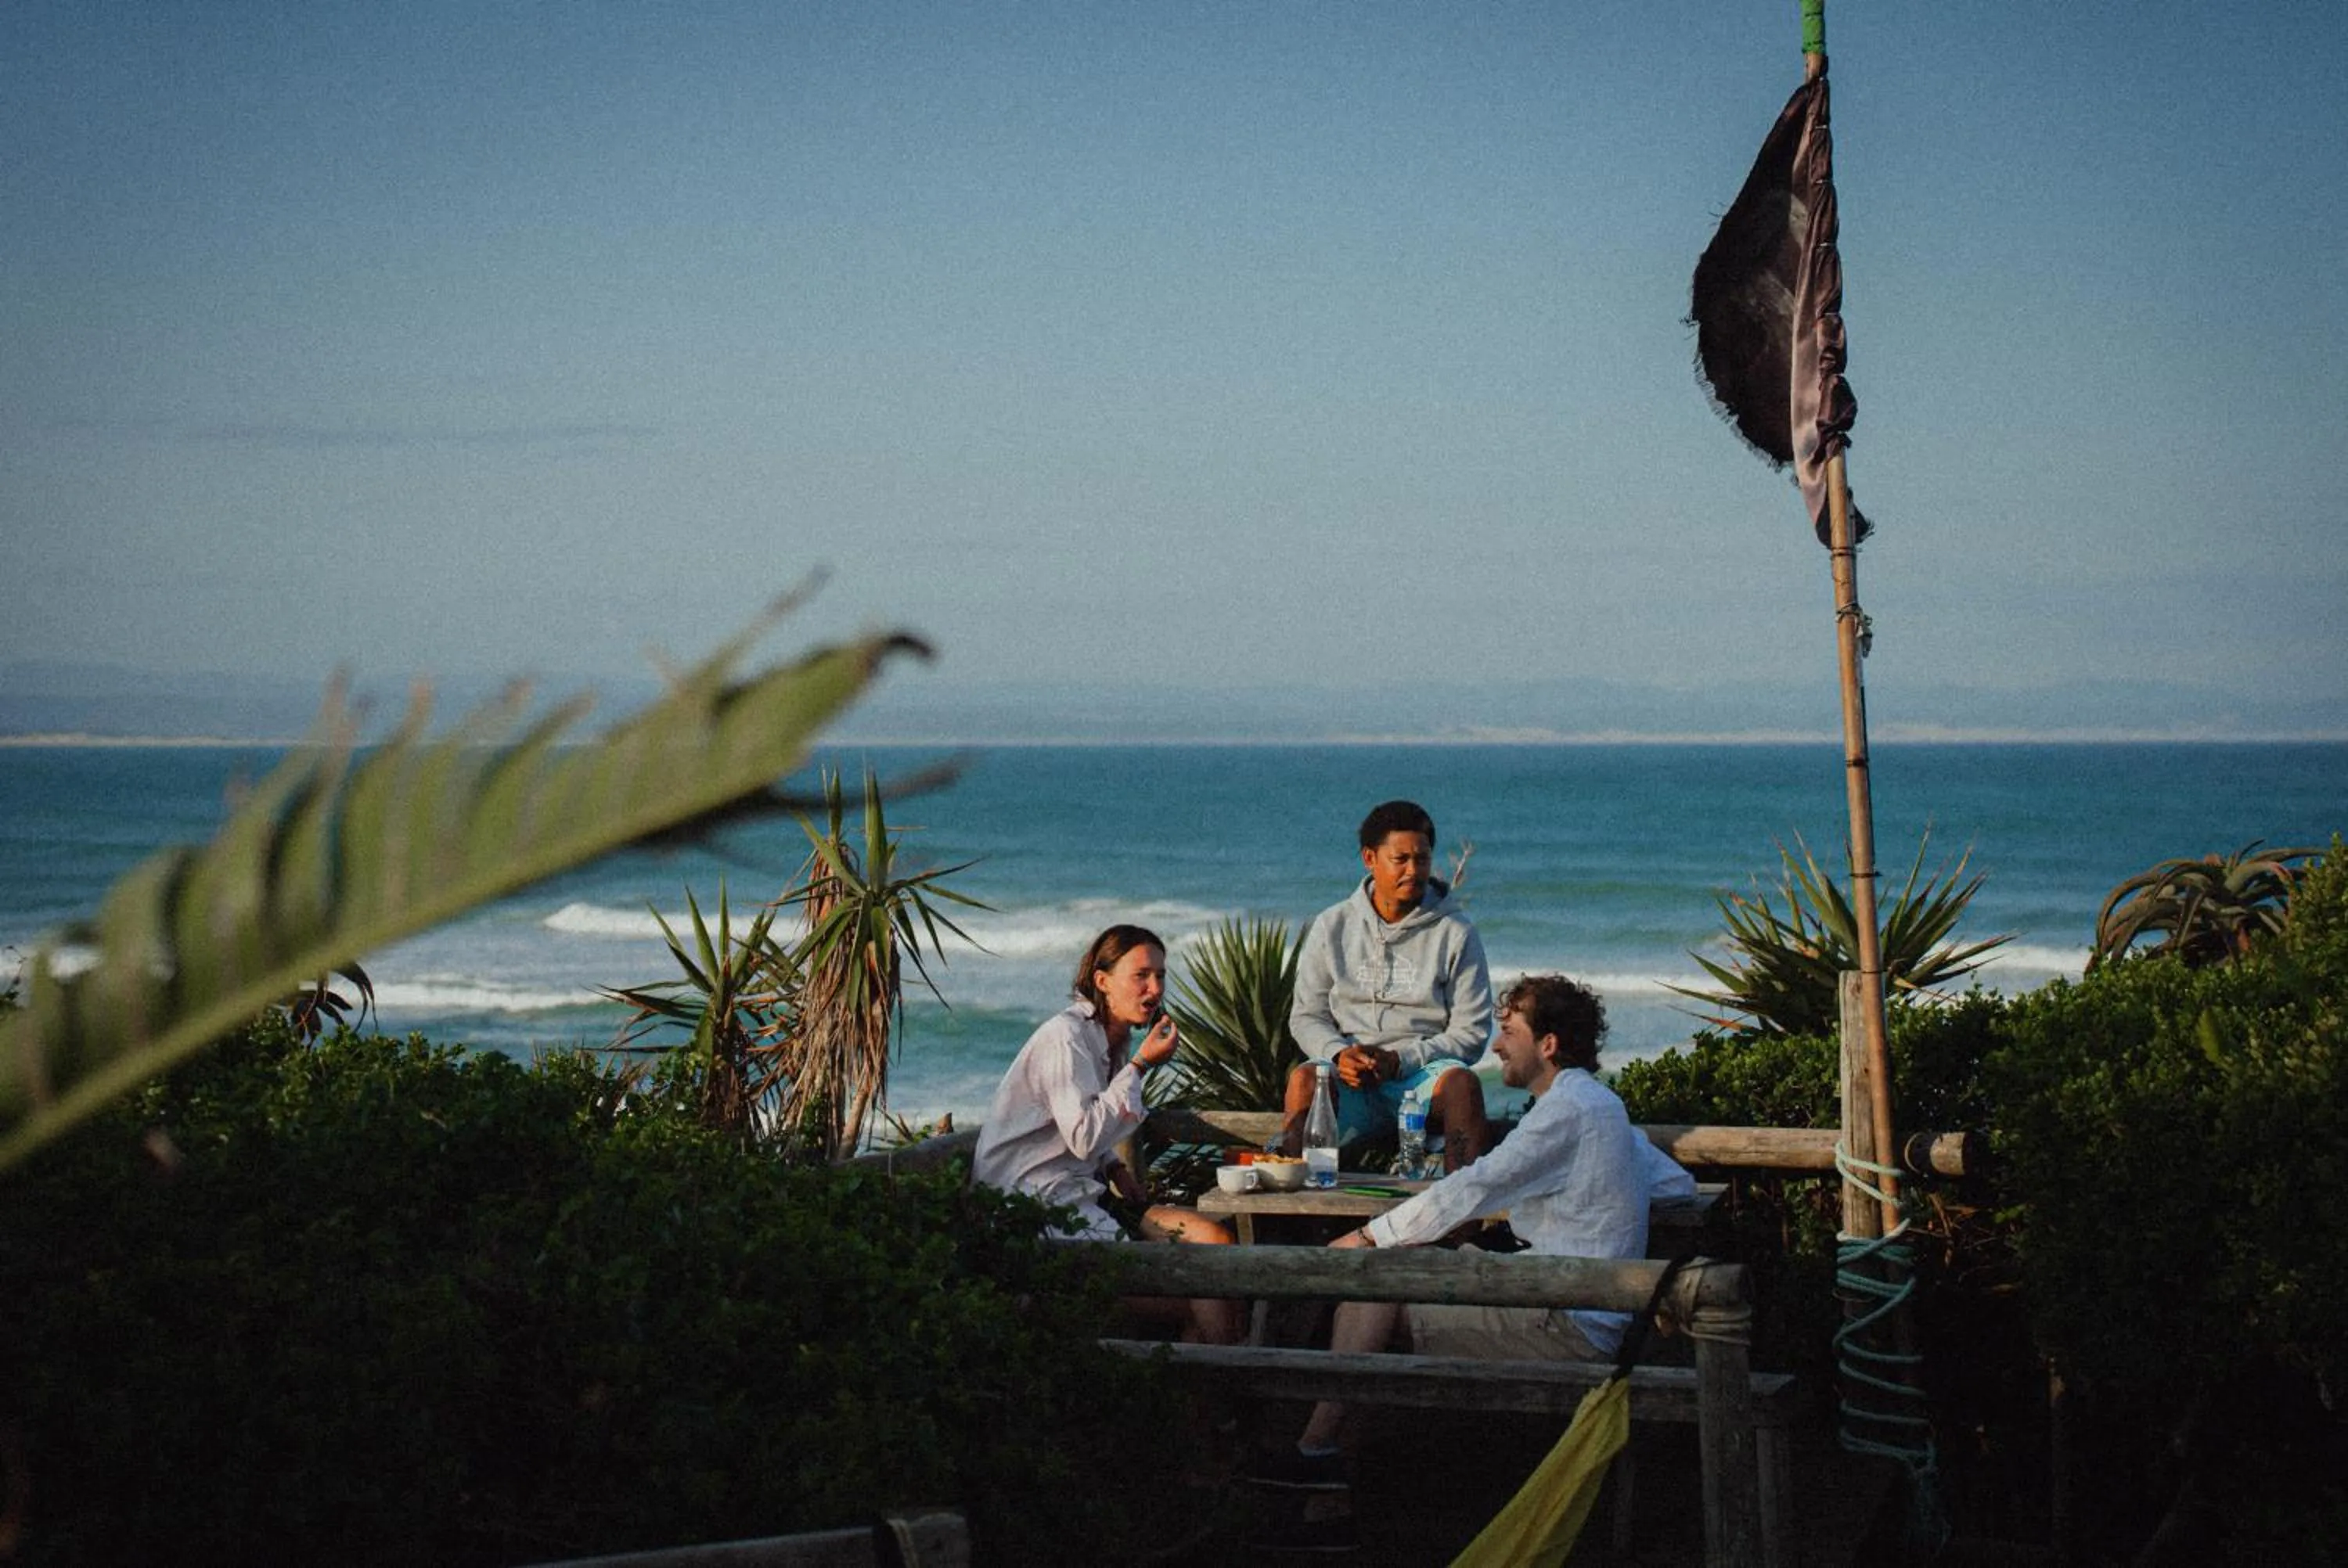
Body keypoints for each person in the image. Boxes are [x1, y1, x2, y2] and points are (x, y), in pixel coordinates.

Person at [1254, 974, 1694, 1512]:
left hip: (1565, 1327)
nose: (1497, 1045)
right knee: (1389, 1282)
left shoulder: (1566, 1112)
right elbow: (1677, 1184)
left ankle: (1316, 1455)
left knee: (1372, 1294)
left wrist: (1366, 1235)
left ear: (1548, 1045)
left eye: (1509, 1032)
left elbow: (1472, 1188)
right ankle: (1324, 1486)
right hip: (1581, 1308)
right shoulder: (1600, 1106)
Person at [971, 923, 1241, 1344]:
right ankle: (1219, 1398)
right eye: (1141, 976)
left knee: (1215, 1249)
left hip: (1079, 1201)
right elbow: (1081, 1134)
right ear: (1102, 981)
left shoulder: (1108, 1040)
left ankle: (1210, 1398)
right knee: (1200, 1301)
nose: (1154, 989)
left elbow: (1076, 1124)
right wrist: (1141, 1067)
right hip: (1032, 1209)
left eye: (1161, 975)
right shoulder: (1068, 1037)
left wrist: (1114, 1166)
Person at [1285, 800, 1493, 1171]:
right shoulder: (1332, 925)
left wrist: (1402, 1060)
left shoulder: (1456, 932)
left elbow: (1472, 1032)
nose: (1414, 871)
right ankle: (1295, 1216)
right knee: (1305, 1081)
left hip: (1421, 1078)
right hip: (1349, 1077)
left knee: (1463, 1086)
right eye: (1401, 860)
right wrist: (1338, 1054)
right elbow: (1305, 1016)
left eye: (1423, 859)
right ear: (1370, 858)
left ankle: (1462, 1217)